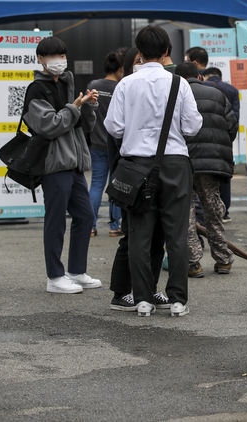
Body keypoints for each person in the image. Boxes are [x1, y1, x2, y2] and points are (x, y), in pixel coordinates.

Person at [105, 25, 203, 317]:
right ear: (166, 52)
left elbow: (114, 127)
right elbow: (193, 126)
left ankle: (143, 299)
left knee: (139, 234)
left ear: (138, 51)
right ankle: (177, 300)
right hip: (175, 164)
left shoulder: (125, 84)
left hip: (136, 167)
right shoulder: (178, 83)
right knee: (175, 234)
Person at [23, 37, 102, 294]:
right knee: (55, 221)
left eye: (61, 55)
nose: (58, 61)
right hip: (53, 164)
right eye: (52, 56)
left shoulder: (67, 82)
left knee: (85, 215)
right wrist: (74, 107)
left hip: (74, 162)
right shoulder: (36, 89)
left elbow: (81, 125)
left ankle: (76, 271)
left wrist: (88, 106)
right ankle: (54, 277)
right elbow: (49, 125)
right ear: (40, 59)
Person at [107, 47, 169, 312]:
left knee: (157, 236)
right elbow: (114, 130)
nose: (142, 65)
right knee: (131, 237)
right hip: (132, 172)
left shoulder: (156, 87)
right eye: (137, 61)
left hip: (159, 169)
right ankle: (121, 293)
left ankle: (149, 290)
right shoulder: (126, 89)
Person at [175, 62, 238, 277]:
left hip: (182, 161)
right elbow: (231, 125)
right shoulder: (217, 93)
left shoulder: (174, 94)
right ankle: (223, 260)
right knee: (213, 209)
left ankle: (193, 262)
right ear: (200, 77)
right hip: (211, 163)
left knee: (186, 211)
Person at [87, 52, 123, 238]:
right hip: (115, 145)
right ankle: (114, 226)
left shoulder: (93, 86)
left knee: (96, 185)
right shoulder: (121, 87)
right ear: (120, 69)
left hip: (96, 144)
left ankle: (91, 226)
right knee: (115, 185)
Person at [202, 66, 239, 223]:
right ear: (220, 78)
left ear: (204, 77)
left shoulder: (202, 88)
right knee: (224, 174)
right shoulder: (231, 90)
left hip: (205, 138)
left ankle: (205, 212)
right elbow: (235, 117)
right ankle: (224, 211)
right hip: (224, 138)